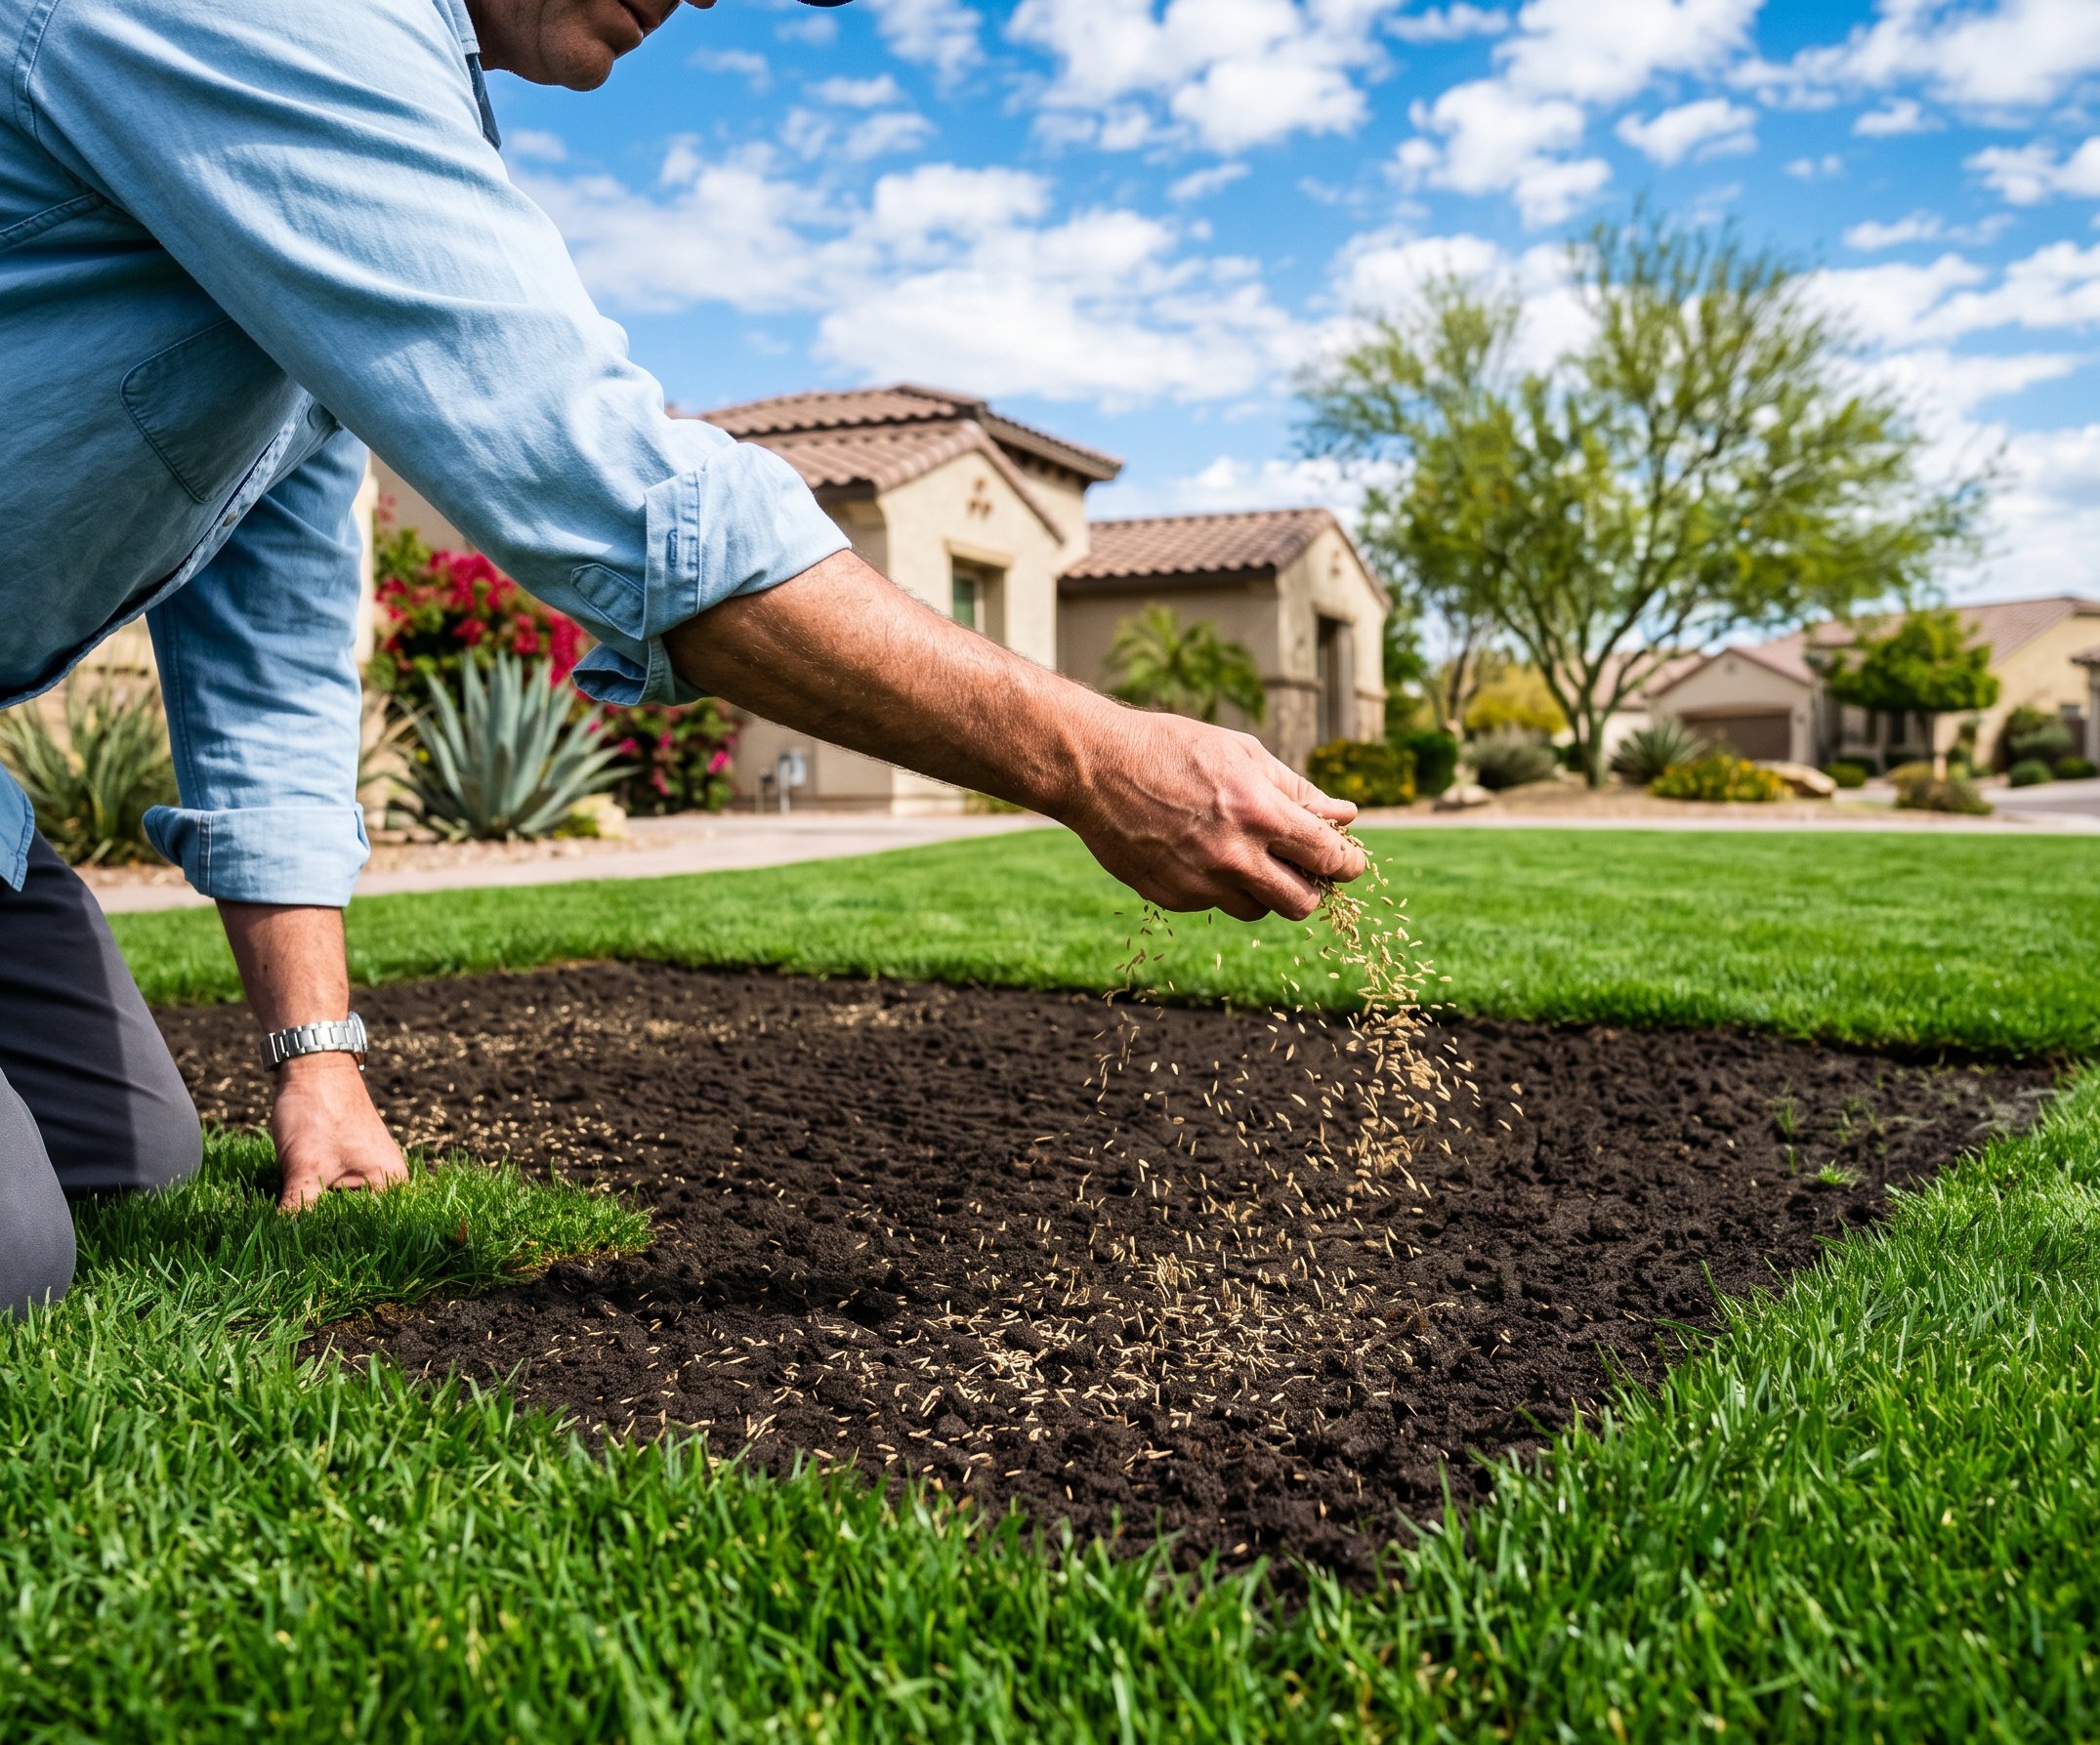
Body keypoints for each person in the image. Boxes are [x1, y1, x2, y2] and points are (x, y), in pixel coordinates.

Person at [0, 0, 1366, 1314]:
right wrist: (1089, 756)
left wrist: (319, 1063)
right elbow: (612, 483)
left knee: (135, 1160)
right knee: (19, 1258)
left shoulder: (359, 148)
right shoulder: (269, 23)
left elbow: (273, 650)